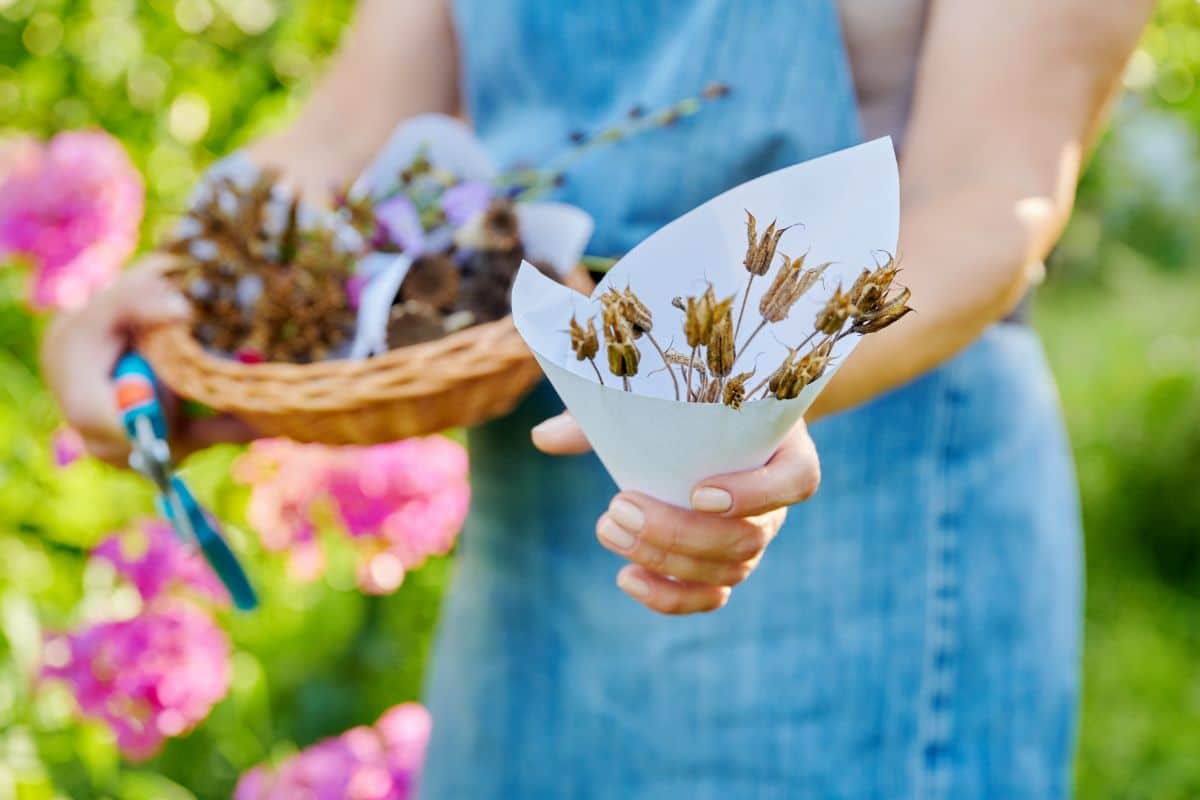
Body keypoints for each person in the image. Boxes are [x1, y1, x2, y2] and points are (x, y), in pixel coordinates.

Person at [42, 1, 1153, 796]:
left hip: (857, 503)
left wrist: (735, 391)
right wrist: (179, 298)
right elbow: (349, 133)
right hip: (541, 533)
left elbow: (988, 195)